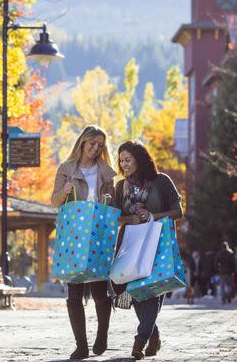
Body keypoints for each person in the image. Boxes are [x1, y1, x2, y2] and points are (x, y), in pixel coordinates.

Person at [111, 141, 182, 360]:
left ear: (140, 159)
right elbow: (115, 217)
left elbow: (178, 211)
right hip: (130, 245)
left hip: (157, 243)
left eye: (128, 159)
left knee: (151, 292)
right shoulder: (120, 186)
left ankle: (140, 340)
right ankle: (154, 335)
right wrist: (130, 218)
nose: (124, 164)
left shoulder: (161, 181)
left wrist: (153, 217)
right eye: (121, 160)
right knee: (135, 292)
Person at [50, 125, 117, 360]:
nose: (96, 149)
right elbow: (55, 201)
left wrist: (109, 200)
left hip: (97, 233)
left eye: (100, 146)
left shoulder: (106, 172)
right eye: (92, 144)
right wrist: (65, 191)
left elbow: (114, 206)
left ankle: (102, 335)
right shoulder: (67, 169)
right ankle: (81, 345)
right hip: (74, 235)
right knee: (74, 293)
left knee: (100, 290)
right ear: (82, 143)